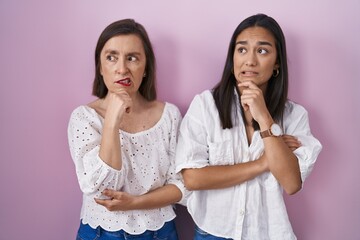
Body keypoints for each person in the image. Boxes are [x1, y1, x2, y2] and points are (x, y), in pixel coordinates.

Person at [175, 13, 322, 240]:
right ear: (232, 57)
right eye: (242, 49)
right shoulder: (205, 105)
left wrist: (265, 119)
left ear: (277, 64)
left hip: (268, 232)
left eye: (262, 51)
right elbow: (193, 178)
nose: (250, 60)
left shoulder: (295, 115)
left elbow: (292, 183)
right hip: (212, 232)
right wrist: (264, 162)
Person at [68, 19, 187, 240]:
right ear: (101, 67)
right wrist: (112, 119)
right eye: (111, 57)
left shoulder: (169, 115)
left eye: (132, 58)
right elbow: (102, 188)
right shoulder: (84, 118)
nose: (122, 68)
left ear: (145, 68)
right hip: (101, 232)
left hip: (160, 231)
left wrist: (136, 203)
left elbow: (182, 186)